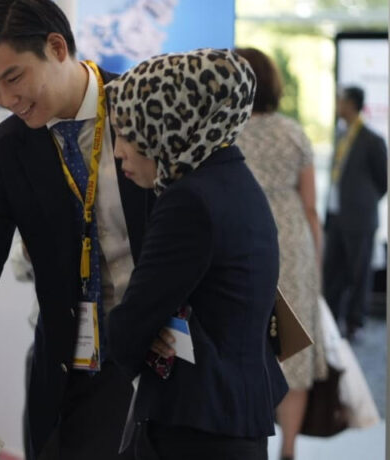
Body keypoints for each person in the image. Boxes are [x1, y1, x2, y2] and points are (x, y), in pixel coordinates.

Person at [0, 0, 153, 460]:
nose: (7, 99)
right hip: (78, 361)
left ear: (56, 47)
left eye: (14, 77)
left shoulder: (145, 108)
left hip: (166, 344)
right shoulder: (6, 149)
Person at [106, 48, 287, 460]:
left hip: (197, 424)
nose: (118, 151)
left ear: (168, 122)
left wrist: (141, 333)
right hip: (230, 414)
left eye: (128, 132)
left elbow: (131, 324)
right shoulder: (233, 180)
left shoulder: (189, 200)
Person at [234, 47, 327, 460]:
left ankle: (248, 439)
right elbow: (310, 206)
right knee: (293, 344)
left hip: (244, 238)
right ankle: (289, 448)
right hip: (292, 243)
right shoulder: (293, 133)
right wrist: (315, 263)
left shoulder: (228, 130)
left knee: (245, 337)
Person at [323, 85, 388, 341]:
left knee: (359, 273)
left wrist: (364, 203)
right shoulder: (341, 135)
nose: (337, 105)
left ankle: (355, 322)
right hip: (336, 216)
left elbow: (384, 180)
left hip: (360, 219)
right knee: (332, 272)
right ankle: (331, 321)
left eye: (341, 101)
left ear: (351, 104)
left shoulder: (372, 140)